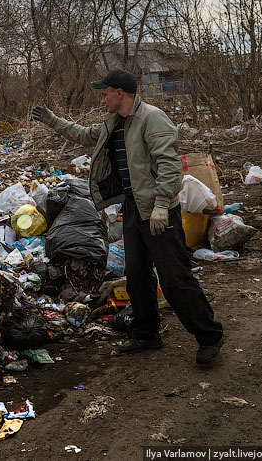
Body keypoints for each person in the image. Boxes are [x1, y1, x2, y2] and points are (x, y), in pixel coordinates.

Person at [32, 69, 224, 365]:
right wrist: (53, 121)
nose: (103, 99)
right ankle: (146, 333)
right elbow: (84, 135)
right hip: (134, 208)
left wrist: (161, 204)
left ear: (120, 93)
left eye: (105, 93)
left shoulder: (151, 118)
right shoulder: (114, 123)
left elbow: (169, 165)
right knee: (136, 276)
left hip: (159, 211)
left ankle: (209, 336)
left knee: (175, 278)